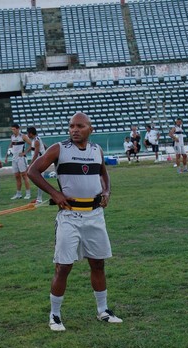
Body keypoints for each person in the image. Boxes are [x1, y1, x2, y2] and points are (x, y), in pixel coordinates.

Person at [28, 112, 123, 331]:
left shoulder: (96, 150)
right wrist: (55, 193)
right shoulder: (59, 149)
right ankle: (55, 315)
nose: (74, 130)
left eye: (80, 126)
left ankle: (103, 311)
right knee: (63, 266)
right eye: (71, 126)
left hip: (95, 215)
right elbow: (32, 171)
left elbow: (103, 174)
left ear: (90, 129)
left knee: (98, 263)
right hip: (70, 217)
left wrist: (107, 191)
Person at [5, 123, 31, 200]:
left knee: (24, 175)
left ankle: (28, 193)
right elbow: (10, 146)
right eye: (12, 129)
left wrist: (24, 153)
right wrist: (7, 156)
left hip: (21, 158)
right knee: (17, 176)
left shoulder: (23, 136)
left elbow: (31, 144)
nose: (13, 131)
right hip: (14, 158)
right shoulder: (12, 137)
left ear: (18, 129)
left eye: (14, 129)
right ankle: (18, 194)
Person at [26, 126, 46, 203]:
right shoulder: (36, 140)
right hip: (39, 161)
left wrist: (30, 165)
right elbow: (44, 146)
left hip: (40, 162)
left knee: (39, 180)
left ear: (31, 133)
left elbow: (36, 154)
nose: (27, 135)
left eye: (28, 133)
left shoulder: (36, 141)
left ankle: (39, 199)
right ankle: (39, 198)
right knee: (39, 180)